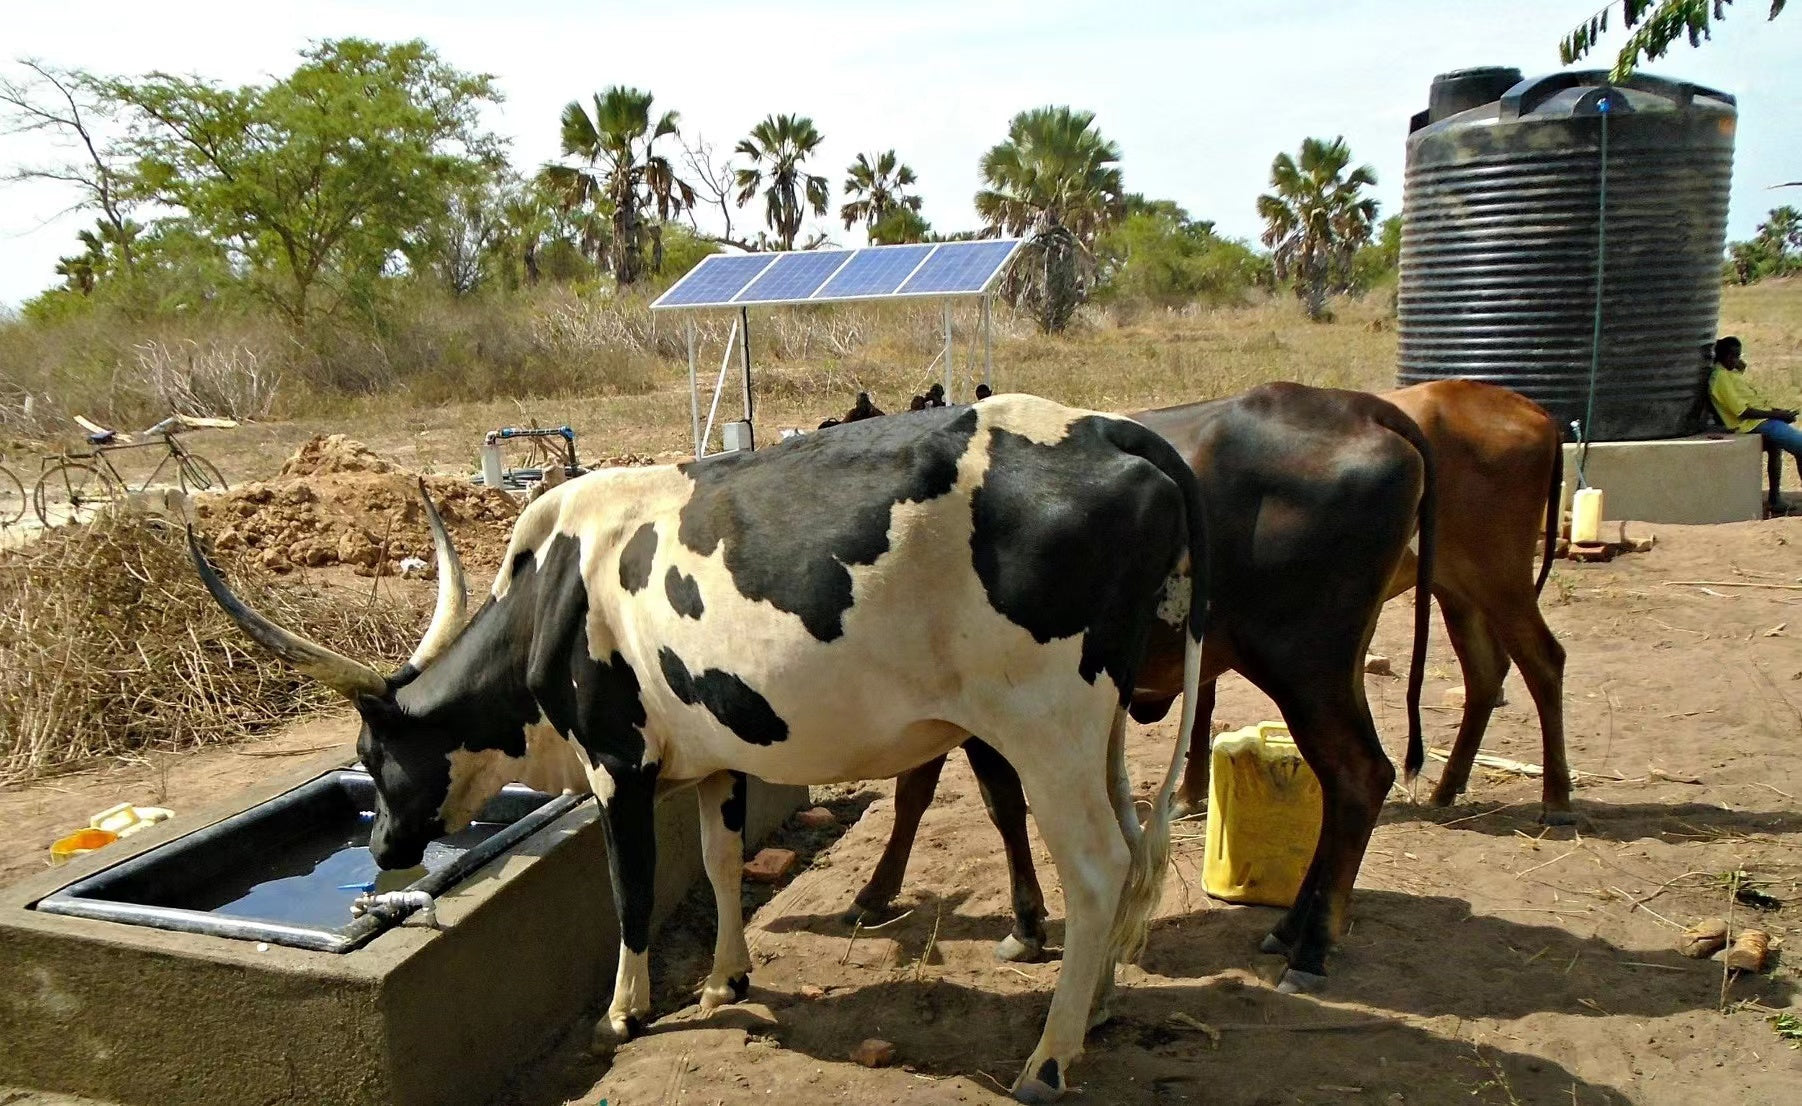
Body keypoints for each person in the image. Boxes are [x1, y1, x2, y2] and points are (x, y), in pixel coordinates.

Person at [1709, 336, 1801, 513]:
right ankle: (1775, 499)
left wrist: (1779, 413)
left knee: (1783, 448)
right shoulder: (1721, 378)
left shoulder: (1730, 373)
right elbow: (1743, 412)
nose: (1735, 360)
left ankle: (1775, 499)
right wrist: (1778, 415)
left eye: (1737, 356)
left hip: (1761, 421)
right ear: (1723, 356)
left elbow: (1754, 403)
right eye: (1732, 357)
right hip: (1750, 424)